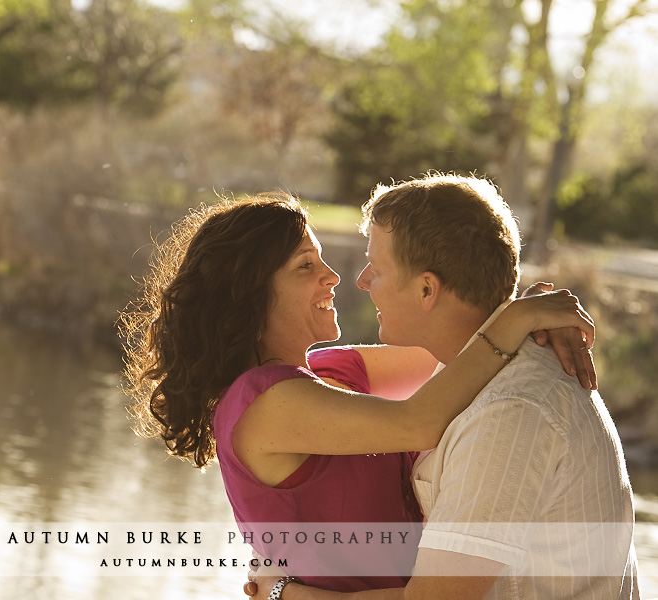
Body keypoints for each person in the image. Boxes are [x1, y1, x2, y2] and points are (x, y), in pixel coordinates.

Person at [120, 192, 596, 593]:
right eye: (306, 266)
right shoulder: (264, 403)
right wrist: (518, 319)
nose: (333, 276)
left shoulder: (332, 372)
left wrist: (536, 313)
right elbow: (420, 420)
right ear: (252, 293)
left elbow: (459, 341)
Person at [249, 174, 638, 599]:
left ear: (426, 289)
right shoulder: (477, 373)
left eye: (376, 269)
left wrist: (282, 592)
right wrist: (522, 312)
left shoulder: (508, 412)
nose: (360, 281)